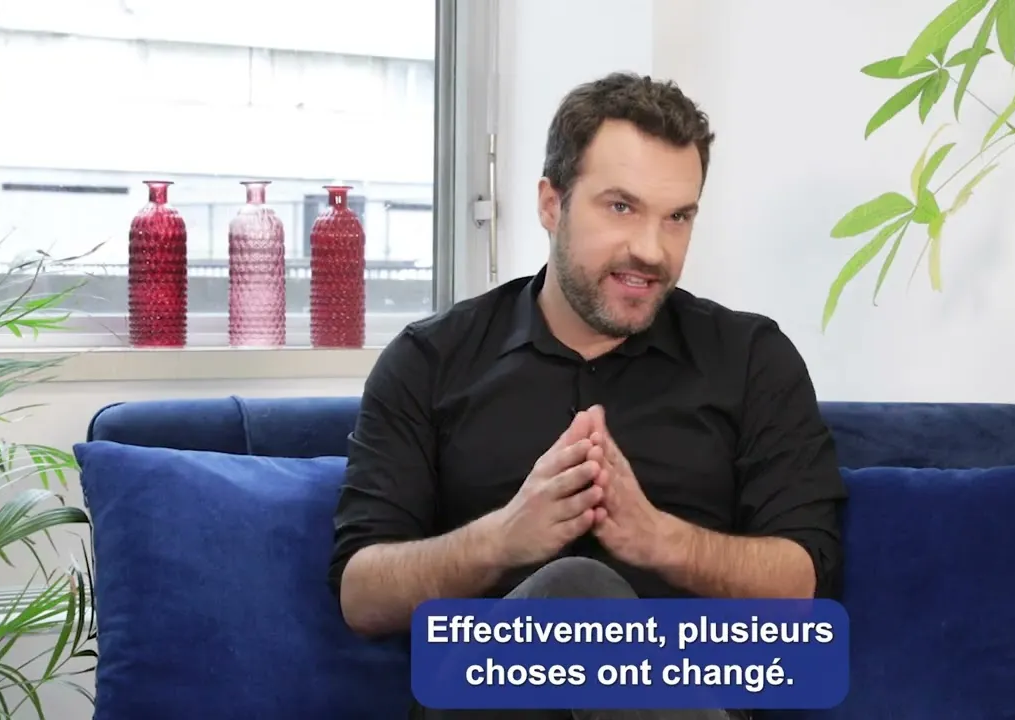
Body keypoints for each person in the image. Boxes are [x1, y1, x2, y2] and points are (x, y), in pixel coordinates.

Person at [330, 71, 848, 720]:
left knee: (583, 595)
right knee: (573, 591)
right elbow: (362, 595)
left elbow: (802, 588)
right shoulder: (430, 361)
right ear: (552, 204)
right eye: (621, 207)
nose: (651, 250)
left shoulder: (750, 359)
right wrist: (501, 540)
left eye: (678, 217)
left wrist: (661, 540)